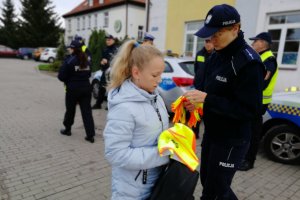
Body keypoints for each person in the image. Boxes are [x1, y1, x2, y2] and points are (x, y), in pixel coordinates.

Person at [183, 4, 265, 199]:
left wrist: (207, 100)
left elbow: (249, 110)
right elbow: (209, 92)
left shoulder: (249, 63)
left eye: (217, 33)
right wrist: (196, 102)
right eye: (209, 34)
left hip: (232, 139)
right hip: (212, 134)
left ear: (235, 29)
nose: (211, 39)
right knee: (209, 184)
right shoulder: (217, 56)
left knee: (215, 190)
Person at [103, 40, 170, 199]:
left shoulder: (155, 96)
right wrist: (162, 154)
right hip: (132, 191)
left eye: (161, 73)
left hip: (155, 183)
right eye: (155, 75)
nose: (159, 80)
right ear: (136, 73)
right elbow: (115, 154)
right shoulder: (124, 108)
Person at [239, 32, 278, 171]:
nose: (253, 44)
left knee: (254, 132)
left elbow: (262, 83)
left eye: (255, 41)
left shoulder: (269, 60)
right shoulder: (260, 57)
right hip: (254, 101)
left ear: (262, 43)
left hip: (259, 102)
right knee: (248, 130)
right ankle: (244, 157)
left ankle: (249, 161)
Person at [58, 39, 95, 143]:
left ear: (73, 49)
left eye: (70, 48)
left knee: (70, 110)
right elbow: (88, 74)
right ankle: (90, 135)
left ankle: (67, 129)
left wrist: (69, 79)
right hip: (86, 89)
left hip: (72, 90)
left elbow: (61, 76)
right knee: (87, 112)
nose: (69, 50)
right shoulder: (86, 60)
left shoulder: (69, 60)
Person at [192, 39, 214, 139]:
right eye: (206, 42)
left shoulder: (216, 55)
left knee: (209, 116)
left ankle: (208, 135)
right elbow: (196, 69)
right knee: (196, 114)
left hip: (209, 92)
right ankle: (194, 134)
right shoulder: (200, 54)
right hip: (198, 89)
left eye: (210, 42)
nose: (208, 44)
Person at [92, 34, 118, 109]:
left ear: (113, 40)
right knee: (102, 87)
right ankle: (98, 104)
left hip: (113, 72)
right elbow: (102, 59)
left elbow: (117, 62)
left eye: (109, 40)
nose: (107, 41)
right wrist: (102, 63)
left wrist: (108, 62)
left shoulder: (116, 49)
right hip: (105, 71)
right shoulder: (105, 49)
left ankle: (110, 105)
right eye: (106, 40)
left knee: (112, 89)